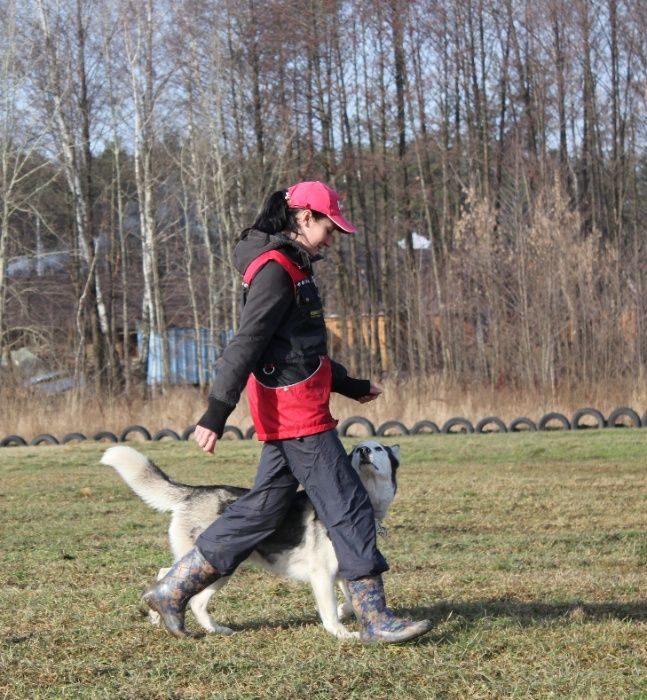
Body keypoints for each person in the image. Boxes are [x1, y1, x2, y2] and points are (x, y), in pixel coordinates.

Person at [143, 181, 432, 645]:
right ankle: (374, 619)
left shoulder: (294, 269)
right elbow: (247, 343)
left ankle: (173, 589)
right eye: (328, 226)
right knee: (351, 507)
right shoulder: (276, 272)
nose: (333, 237)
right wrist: (216, 412)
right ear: (302, 218)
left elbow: (300, 352)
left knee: (261, 510)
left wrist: (351, 385)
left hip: (293, 411)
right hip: (298, 418)